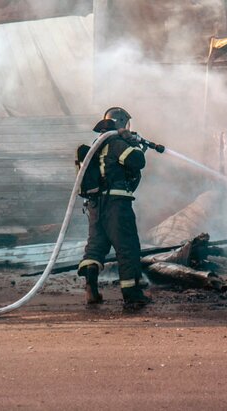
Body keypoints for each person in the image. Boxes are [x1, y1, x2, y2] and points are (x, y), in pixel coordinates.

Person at [75, 107, 151, 309]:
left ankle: (91, 287)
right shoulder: (116, 143)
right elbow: (137, 161)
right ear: (122, 123)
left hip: (95, 205)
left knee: (96, 246)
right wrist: (133, 143)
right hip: (116, 204)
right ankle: (132, 294)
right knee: (127, 247)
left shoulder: (97, 144)